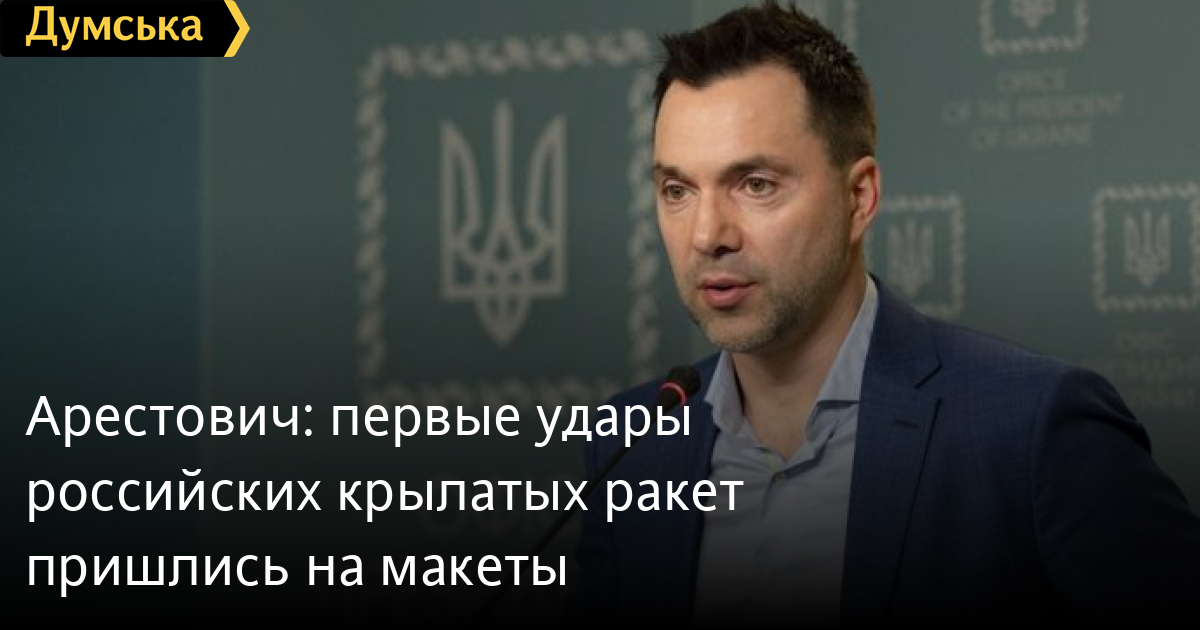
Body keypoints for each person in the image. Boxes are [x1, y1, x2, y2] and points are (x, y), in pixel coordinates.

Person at [570, 1, 1200, 626]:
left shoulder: (1033, 430)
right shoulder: (629, 446)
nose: (707, 235)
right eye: (677, 190)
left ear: (860, 198)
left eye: (756, 184)